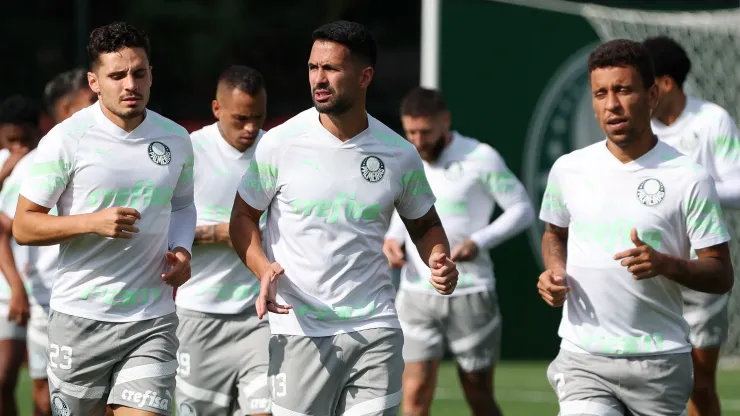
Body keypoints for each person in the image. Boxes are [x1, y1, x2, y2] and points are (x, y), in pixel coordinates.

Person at [230, 20, 459, 416]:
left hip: (375, 326)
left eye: (331, 68)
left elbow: (424, 225)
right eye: (313, 67)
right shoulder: (280, 144)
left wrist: (438, 258)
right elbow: (243, 217)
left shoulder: (398, 153)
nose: (319, 78)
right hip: (300, 327)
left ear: (365, 75)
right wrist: (262, 267)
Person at [537, 39, 735, 416]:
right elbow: (554, 234)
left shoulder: (690, 178)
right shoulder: (568, 169)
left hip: (658, 362)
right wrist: (554, 269)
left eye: (624, 90)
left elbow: (721, 273)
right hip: (583, 357)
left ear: (652, 95)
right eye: (601, 93)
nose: (612, 104)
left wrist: (666, 264)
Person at [11, 21, 196, 416]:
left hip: (151, 318)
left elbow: (181, 205)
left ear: (151, 74)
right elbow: (24, 225)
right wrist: (90, 222)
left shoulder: (176, 138)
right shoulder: (66, 139)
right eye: (117, 75)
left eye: (139, 73)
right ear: (95, 82)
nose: (130, 84)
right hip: (81, 318)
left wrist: (181, 249)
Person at [382, 86, 534, 416]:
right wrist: (392, 240)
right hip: (416, 294)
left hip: (471, 291)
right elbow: (405, 209)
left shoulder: (481, 157)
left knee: (477, 394)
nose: (418, 141)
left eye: (425, 132)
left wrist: (479, 241)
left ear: (445, 121)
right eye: (410, 132)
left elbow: (522, 208)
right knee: (415, 392)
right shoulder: (405, 158)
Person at [643, 35, 740, 416]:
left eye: (642, 83)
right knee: (646, 382)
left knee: (699, 383)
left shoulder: (711, 119)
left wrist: (690, 188)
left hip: (700, 273)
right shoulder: (633, 128)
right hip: (646, 269)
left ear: (665, 84)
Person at [174, 65, 271, 416]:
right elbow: (161, 232)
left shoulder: (276, 151)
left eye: (258, 117)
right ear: (217, 109)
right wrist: (220, 234)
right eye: (241, 118)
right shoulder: (190, 151)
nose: (251, 128)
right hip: (199, 315)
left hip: (258, 316)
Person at [0, 95, 41, 416]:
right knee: (3, 379)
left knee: (48, 390)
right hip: (8, 290)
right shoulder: (3, 163)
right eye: (9, 139)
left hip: (46, 288)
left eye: (23, 139)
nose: (18, 147)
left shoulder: (45, 162)